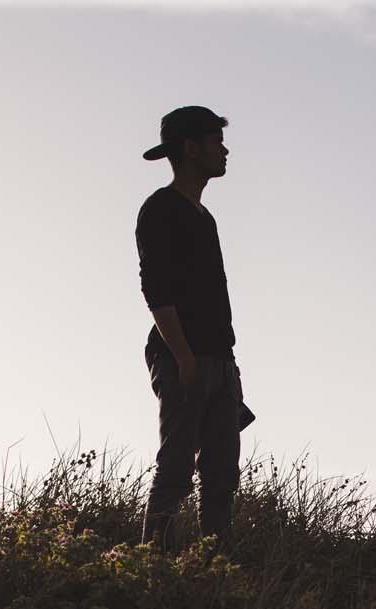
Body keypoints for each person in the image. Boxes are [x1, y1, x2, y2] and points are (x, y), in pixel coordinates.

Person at [135, 105, 254, 555]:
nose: (224, 151)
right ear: (191, 148)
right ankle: (151, 567)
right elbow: (156, 290)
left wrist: (227, 367)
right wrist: (182, 356)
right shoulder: (161, 208)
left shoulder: (204, 217)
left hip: (220, 361)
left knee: (222, 478)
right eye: (215, 141)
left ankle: (214, 574)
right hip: (184, 359)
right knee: (176, 471)